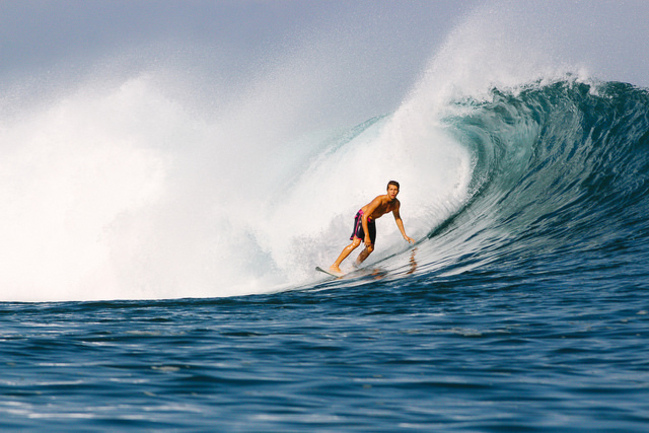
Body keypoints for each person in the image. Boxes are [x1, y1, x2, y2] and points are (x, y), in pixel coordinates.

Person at [329, 180, 414, 275]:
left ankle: (353, 267)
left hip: (371, 221)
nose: (393, 192)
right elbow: (364, 216)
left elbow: (397, 218)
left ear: (398, 191)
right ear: (387, 190)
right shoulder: (379, 200)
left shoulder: (396, 204)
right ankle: (334, 266)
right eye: (391, 189)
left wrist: (404, 235)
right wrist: (366, 236)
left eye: (395, 190)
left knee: (370, 249)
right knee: (356, 243)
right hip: (362, 217)